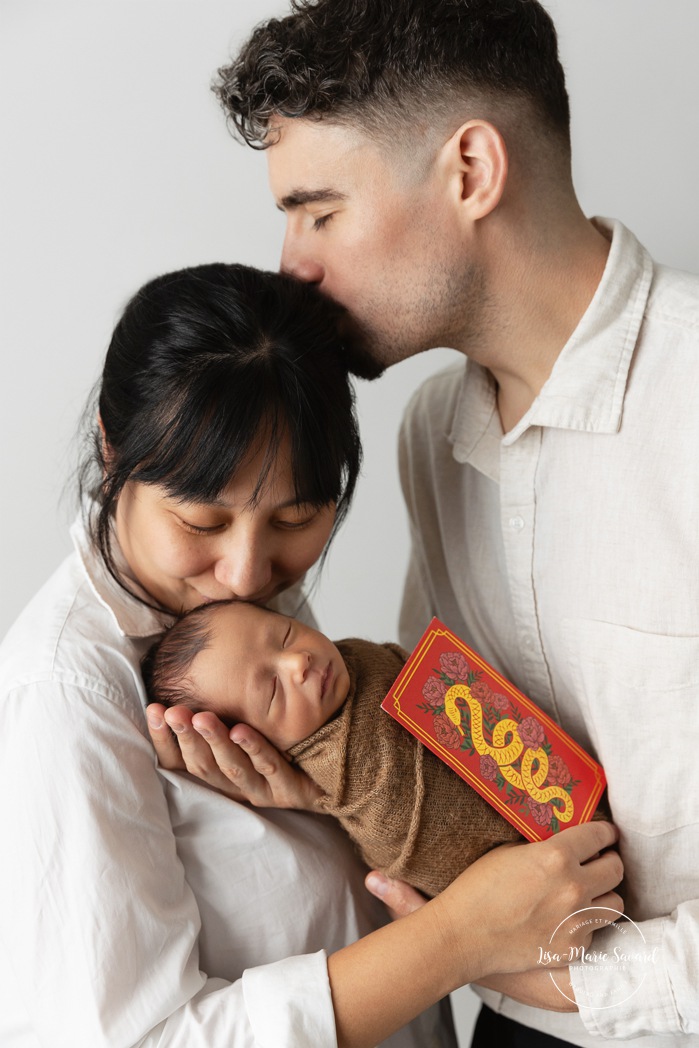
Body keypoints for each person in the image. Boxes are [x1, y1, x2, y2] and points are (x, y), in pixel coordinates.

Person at [146, 1, 699, 1044]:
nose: (291, 264)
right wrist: (323, 778)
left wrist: (561, 984)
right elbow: (444, 748)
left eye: (319, 211)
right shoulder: (432, 436)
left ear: (472, 171)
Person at [0, 260, 624, 1048]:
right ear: (111, 447)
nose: (247, 573)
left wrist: (322, 797)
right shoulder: (66, 696)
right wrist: (462, 936)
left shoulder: (245, 610)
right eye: (200, 523)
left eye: (296, 518)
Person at [142, 598, 526, 897]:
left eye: (286, 634)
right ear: (255, 746)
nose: (298, 662)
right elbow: (401, 822)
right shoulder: (345, 768)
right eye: (273, 690)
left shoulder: (356, 659)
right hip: (496, 867)